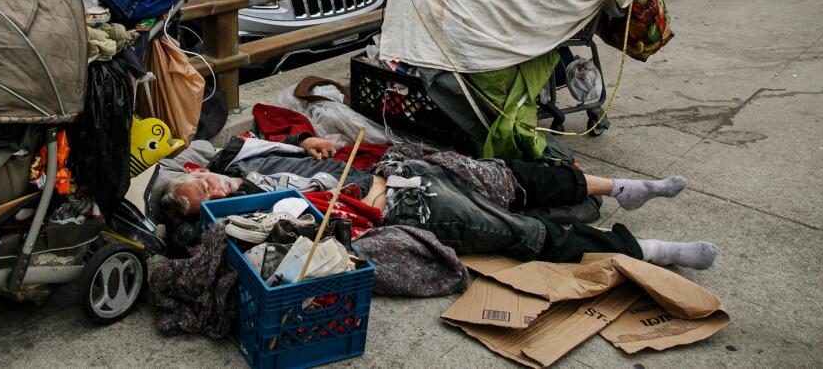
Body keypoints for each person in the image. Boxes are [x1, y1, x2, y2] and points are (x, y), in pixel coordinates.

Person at [158, 133, 716, 270]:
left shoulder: (239, 157)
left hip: (391, 166)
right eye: (200, 197)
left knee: (502, 175)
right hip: (391, 202)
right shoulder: (244, 217)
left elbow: (284, 142)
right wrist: (368, 198)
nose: (212, 188)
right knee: (510, 229)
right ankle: (647, 250)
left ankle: (622, 189)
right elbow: (184, 240)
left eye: (203, 181)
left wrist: (306, 142)